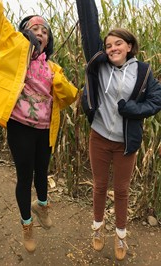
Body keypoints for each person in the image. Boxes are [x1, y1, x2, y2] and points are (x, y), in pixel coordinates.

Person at [0, 0, 78, 253]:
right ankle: (26, 225)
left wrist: (63, 83)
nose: (41, 32)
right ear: (23, 32)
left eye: (45, 31)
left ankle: (42, 205)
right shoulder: (11, 48)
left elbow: (68, 96)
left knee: (43, 172)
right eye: (34, 28)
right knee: (25, 176)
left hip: (44, 129)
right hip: (20, 126)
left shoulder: (53, 67)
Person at [75, 0, 161, 261]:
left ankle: (121, 236)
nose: (112, 48)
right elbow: (90, 29)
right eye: (109, 45)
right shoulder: (99, 65)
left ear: (129, 46)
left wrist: (131, 109)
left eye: (118, 44)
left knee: (121, 190)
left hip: (126, 142)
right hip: (99, 137)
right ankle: (98, 229)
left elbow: (156, 100)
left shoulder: (144, 72)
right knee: (100, 186)